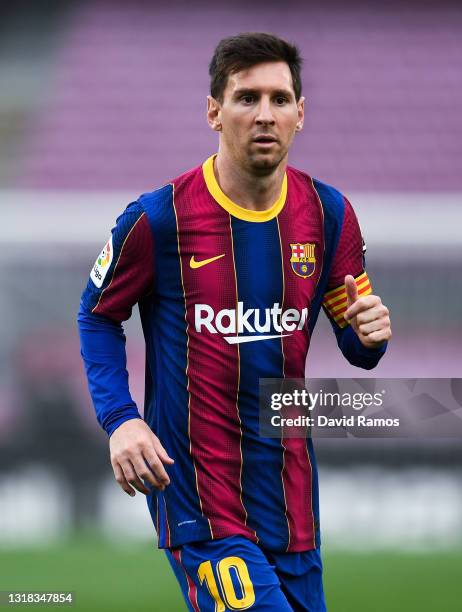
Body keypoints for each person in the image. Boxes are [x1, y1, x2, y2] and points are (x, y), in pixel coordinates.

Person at [78, 32, 391, 611]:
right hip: (201, 500)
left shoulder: (329, 215)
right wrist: (121, 419)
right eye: (247, 98)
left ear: (302, 114)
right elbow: (97, 315)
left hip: (293, 502)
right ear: (214, 113)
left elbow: (357, 342)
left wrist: (369, 333)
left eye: (279, 99)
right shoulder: (157, 218)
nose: (265, 115)